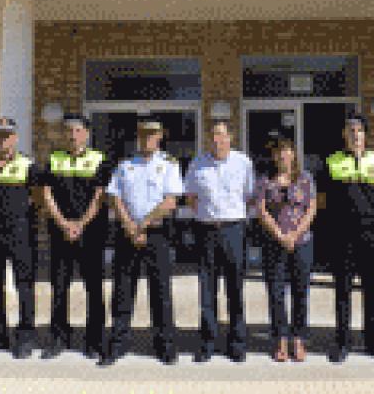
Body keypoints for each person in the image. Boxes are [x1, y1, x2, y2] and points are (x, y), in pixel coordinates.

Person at [100, 116, 183, 365]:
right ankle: (118, 344)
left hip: (156, 234)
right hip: (127, 234)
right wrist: (129, 225)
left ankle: (165, 345)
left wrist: (143, 224)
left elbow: (170, 201)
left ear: (159, 137)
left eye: (152, 134)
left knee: (161, 291)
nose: (147, 139)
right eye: (143, 134)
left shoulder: (169, 164)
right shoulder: (126, 164)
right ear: (138, 137)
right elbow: (114, 197)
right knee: (122, 290)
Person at [318, 113, 374, 363]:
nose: (355, 135)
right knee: (343, 291)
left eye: (359, 131)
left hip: (371, 235)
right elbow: (322, 199)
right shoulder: (332, 162)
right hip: (342, 236)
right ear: (344, 135)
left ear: (365, 135)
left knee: (372, 291)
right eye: (351, 131)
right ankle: (342, 342)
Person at [41, 113, 111, 360]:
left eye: (78, 130)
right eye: (68, 130)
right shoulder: (54, 159)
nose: (73, 135)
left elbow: (99, 197)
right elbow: (47, 194)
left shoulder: (99, 160)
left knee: (94, 287)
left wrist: (80, 224)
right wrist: (63, 223)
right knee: (59, 286)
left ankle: (94, 340)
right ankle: (59, 337)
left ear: (87, 134)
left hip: (90, 234)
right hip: (61, 233)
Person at [185, 119, 255, 363]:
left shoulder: (243, 163)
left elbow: (249, 197)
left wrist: (231, 218)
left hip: (234, 229)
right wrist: (208, 217)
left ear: (230, 137)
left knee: (235, 289)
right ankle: (207, 343)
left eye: (222, 135)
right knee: (207, 290)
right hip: (206, 231)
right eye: (214, 134)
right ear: (209, 138)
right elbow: (191, 197)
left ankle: (237, 343)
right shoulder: (197, 163)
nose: (218, 140)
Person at [0, 117, 41, 360]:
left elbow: (38, 198)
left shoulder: (28, 165)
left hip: (21, 234)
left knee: (24, 286)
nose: (3, 139)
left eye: (7, 134)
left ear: (15, 138)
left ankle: (25, 336)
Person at [255, 130, 317, 362]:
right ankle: (280, 339)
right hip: (274, 243)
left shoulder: (305, 178)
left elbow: (311, 209)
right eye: (279, 151)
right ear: (273, 155)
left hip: (302, 242)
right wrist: (280, 235)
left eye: (287, 150)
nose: (283, 155)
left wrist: (295, 234)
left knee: (301, 292)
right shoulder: (265, 179)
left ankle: (298, 339)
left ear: (293, 154)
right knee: (276, 293)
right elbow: (261, 210)